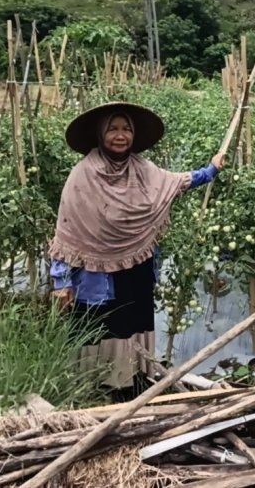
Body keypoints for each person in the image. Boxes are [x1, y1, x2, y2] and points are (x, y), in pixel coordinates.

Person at [48, 101, 224, 400]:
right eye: (113, 129)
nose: (120, 135)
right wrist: (62, 281)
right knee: (99, 325)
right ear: (100, 134)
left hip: (136, 267)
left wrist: (211, 170)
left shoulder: (143, 169)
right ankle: (93, 385)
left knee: (132, 322)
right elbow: (67, 231)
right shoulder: (83, 175)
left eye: (126, 129)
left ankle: (129, 380)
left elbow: (176, 182)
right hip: (95, 273)